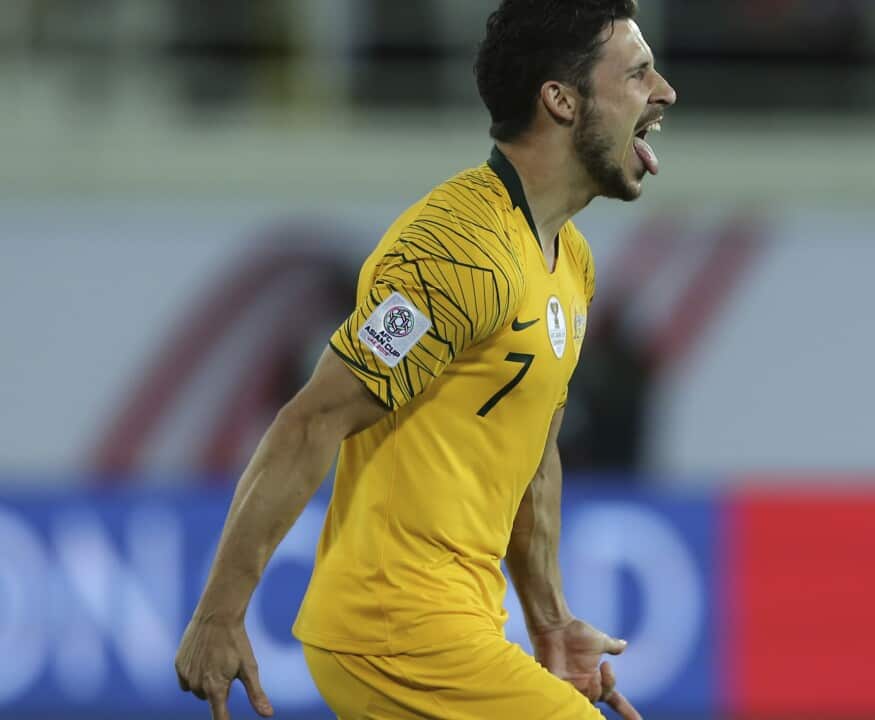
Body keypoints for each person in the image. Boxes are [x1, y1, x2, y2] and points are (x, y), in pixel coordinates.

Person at [173, 1, 676, 717]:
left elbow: (534, 456)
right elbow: (310, 421)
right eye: (638, 73)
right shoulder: (456, 251)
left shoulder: (571, 261)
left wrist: (550, 620)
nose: (664, 92)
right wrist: (220, 613)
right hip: (392, 627)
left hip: (456, 624)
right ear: (561, 100)